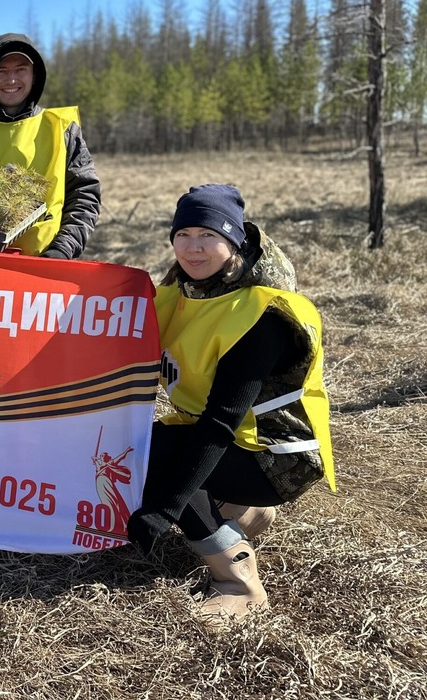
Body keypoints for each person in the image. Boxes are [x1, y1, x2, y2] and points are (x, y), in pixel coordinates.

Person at [127, 184, 336, 624]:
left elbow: (220, 423)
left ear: (234, 241)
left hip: (275, 455)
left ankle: (238, 583)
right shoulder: (185, 290)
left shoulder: (262, 315)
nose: (193, 248)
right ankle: (243, 512)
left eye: (208, 235)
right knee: (137, 446)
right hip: (222, 435)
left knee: (154, 462)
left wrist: (166, 506)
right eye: (182, 234)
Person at [0, 34, 100, 258]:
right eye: (1, 71)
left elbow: (84, 197)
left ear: (34, 76)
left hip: (42, 269)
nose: (11, 80)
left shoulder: (61, 129)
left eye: (21, 69)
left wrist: (62, 249)